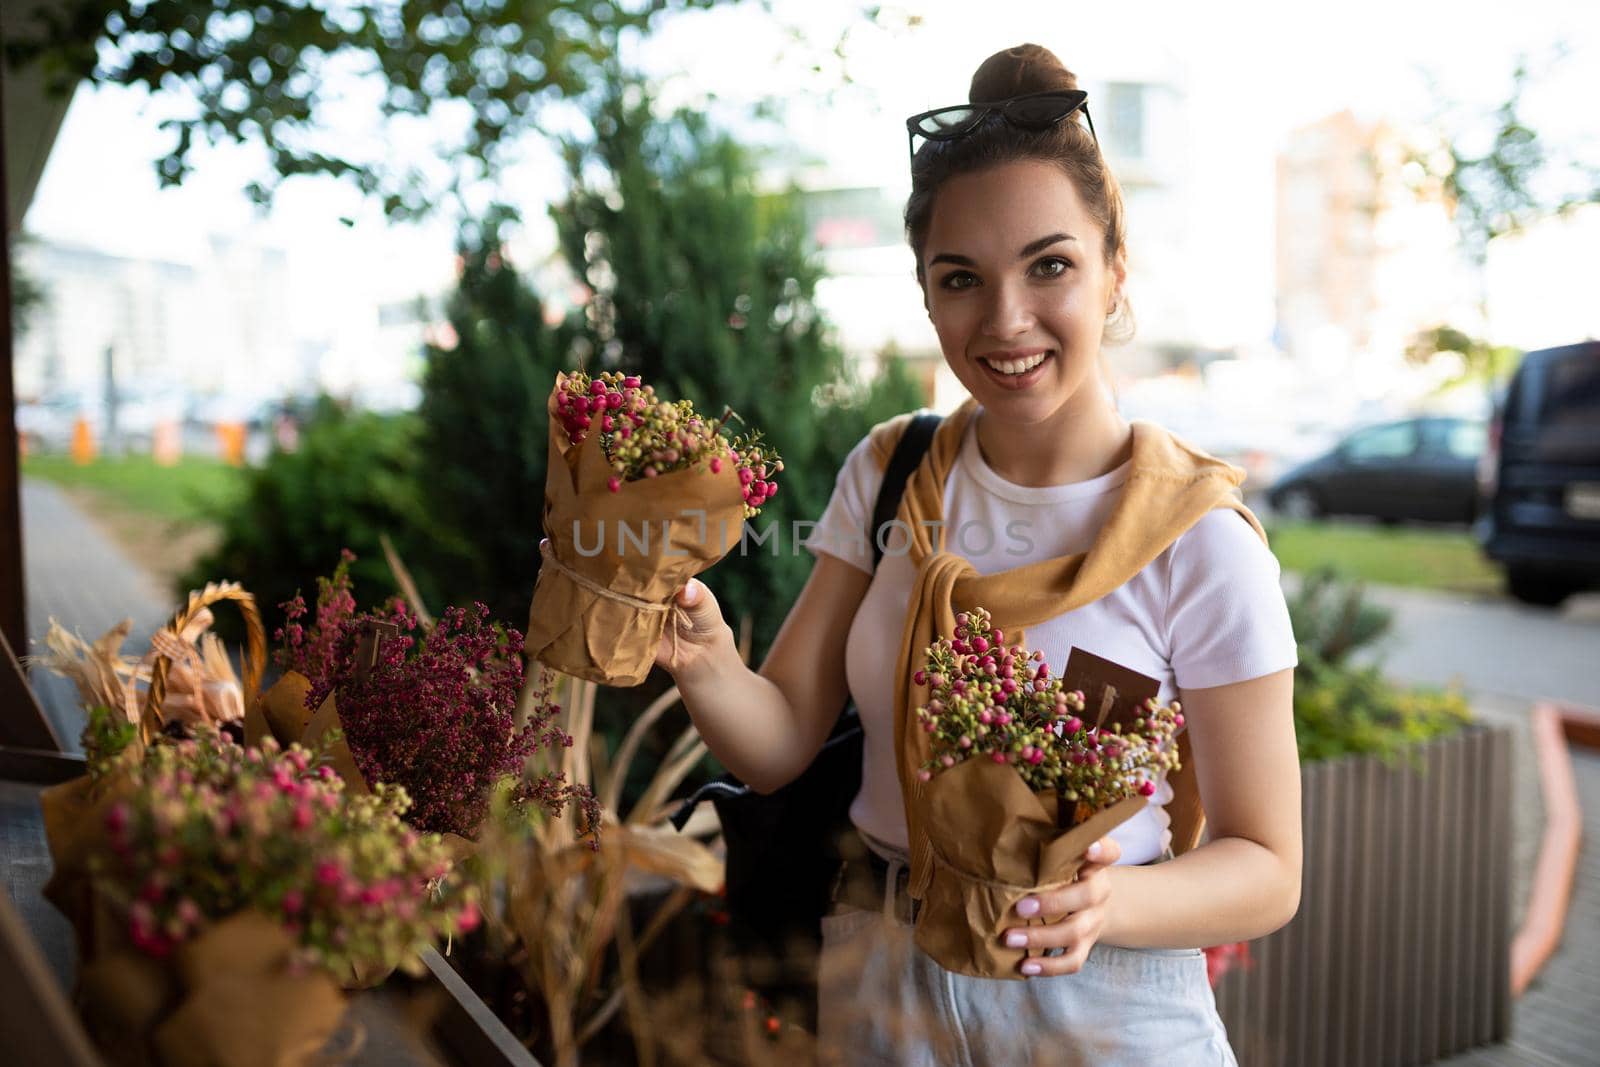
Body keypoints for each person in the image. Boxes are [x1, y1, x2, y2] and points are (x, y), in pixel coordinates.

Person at [655, 43, 1301, 1067]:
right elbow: (779, 740)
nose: (1005, 320)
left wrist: (1105, 900)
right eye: (961, 278)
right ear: (925, 292)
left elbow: (1267, 865)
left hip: (1100, 1002)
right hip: (880, 973)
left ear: (1112, 272)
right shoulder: (893, 470)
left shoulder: (1195, 536)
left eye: (1049, 265)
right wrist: (700, 655)